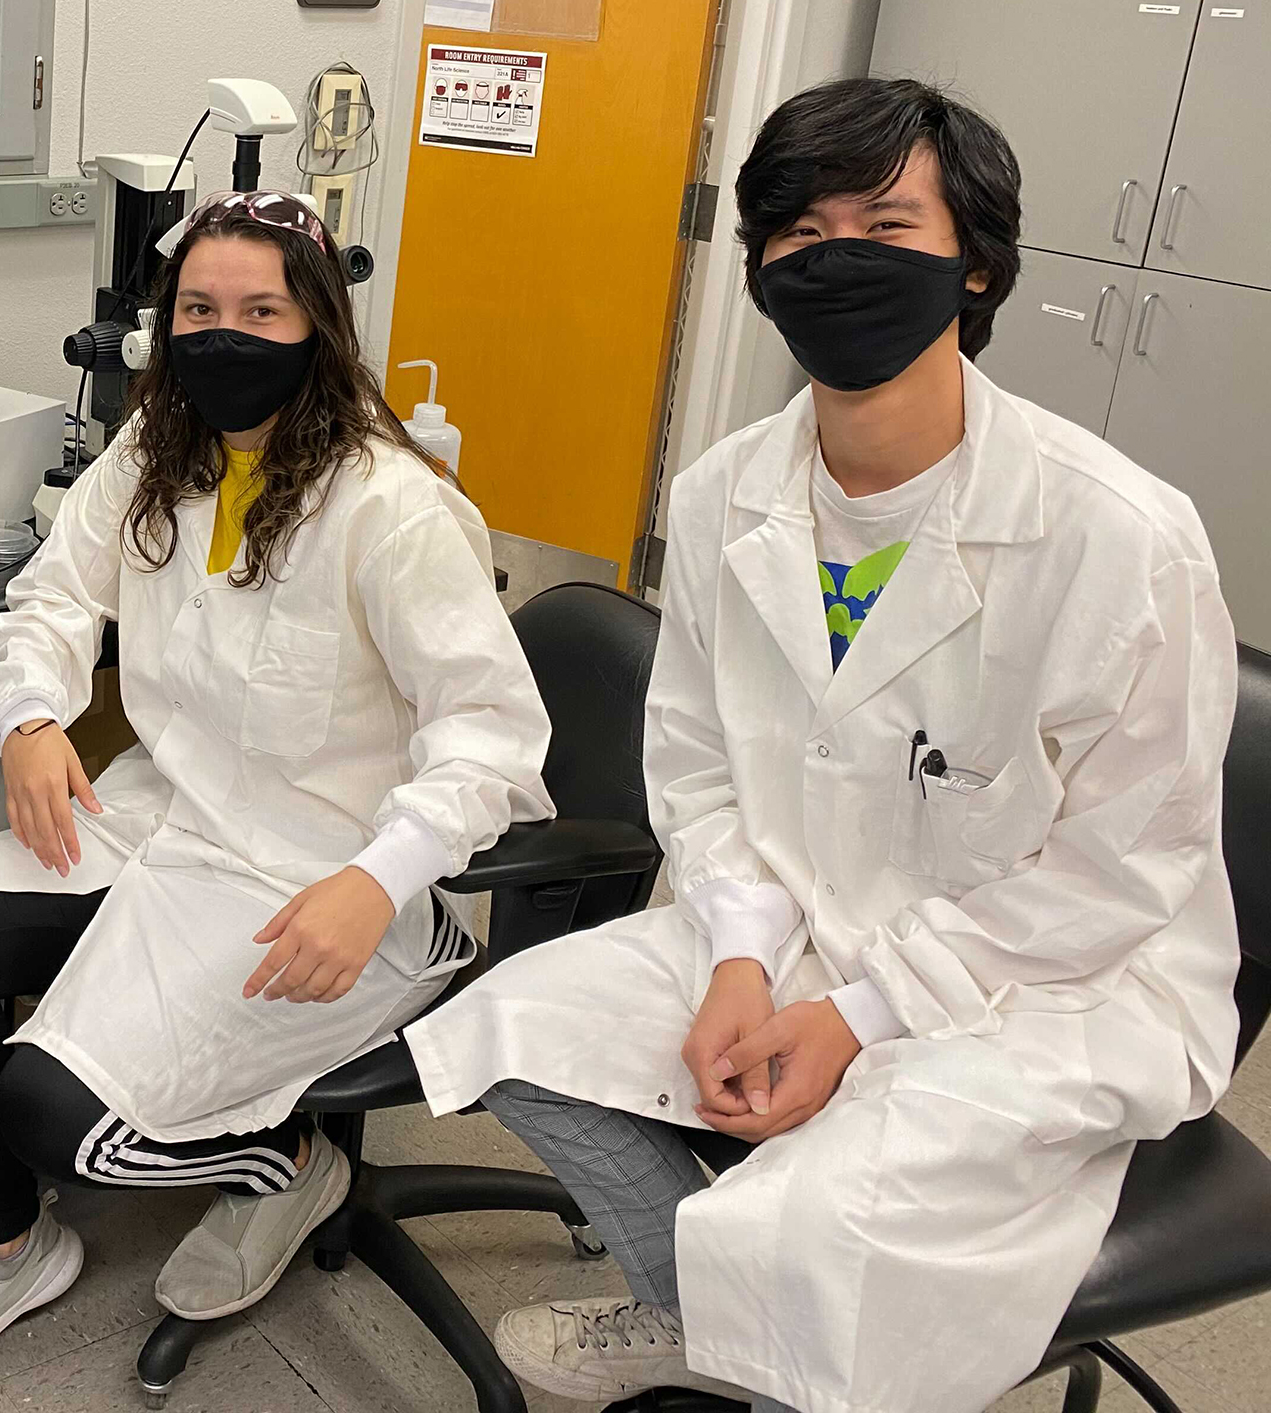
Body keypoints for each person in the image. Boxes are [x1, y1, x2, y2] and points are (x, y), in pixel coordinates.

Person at [403, 79, 1241, 1413]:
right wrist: (740, 950)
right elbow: (695, 767)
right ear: (761, 275)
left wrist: (860, 1018)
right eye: (798, 234)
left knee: (806, 1227)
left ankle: (749, 1323)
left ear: (975, 262)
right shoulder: (726, 489)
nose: (835, 257)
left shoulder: (1119, 537)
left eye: (885, 223)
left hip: (1049, 981)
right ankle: (704, 1318)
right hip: (795, 916)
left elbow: (1122, 873)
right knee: (514, 1031)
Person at [0, 189, 555, 1390]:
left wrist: (377, 880)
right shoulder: (155, 455)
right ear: (163, 324)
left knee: (58, 1119)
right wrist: (31, 716)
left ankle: (294, 1166)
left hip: (322, 881)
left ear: (319, 329)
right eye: (198, 308)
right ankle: (9, 1244)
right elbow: (49, 599)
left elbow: (494, 737)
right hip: (162, 827)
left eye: (259, 309)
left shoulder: (391, 508)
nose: (222, 333)